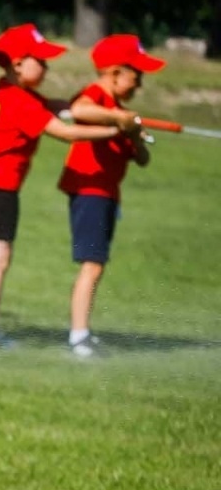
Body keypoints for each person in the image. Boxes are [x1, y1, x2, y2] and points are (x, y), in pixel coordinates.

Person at [0, 24, 127, 347]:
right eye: (41, 60)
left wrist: (91, 109)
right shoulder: (20, 102)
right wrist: (113, 131)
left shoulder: (7, 89)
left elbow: (56, 106)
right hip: (0, 184)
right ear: (19, 63)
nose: (47, 67)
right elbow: (64, 133)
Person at [55, 35, 162, 357]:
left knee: (96, 263)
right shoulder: (97, 97)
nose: (139, 84)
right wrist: (118, 120)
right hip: (89, 190)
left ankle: (82, 332)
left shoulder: (121, 112)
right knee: (93, 264)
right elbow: (78, 110)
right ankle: (78, 336)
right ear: (115, 72)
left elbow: (142, 160)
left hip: (107, 194)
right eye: (136, 76)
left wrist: (134, 135)